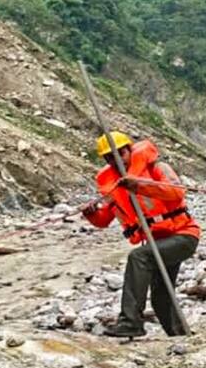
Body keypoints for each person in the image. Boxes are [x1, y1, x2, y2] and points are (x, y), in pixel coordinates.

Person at [82, 132, 199, 339]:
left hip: (183, 235)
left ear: (129, 149)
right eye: (110, 157)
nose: (116, 159)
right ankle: (181, 337)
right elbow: (103, 221)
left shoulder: (156, 168)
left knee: (138, 256)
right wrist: (91, 214)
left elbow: (176, 192)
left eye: (120, 153)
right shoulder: (113, 185)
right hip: (157, 241)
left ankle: (131, 323)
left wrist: (138, 185)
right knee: (161, 297)